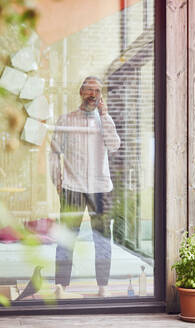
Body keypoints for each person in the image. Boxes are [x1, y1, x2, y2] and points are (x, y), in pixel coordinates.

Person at [50, 76, 120, 297]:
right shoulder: (66, 119)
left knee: (102, 237)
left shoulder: (105, 120)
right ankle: (61, 285)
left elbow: (115, 145)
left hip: (101, 187)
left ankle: (103, 287)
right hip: (73, 185)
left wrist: (105, 116)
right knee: (66, 237)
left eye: (96, 91)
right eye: (88, 90)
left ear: (101, 95)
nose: (92, 94)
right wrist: (57, 180)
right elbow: (54, 152)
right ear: (81, 92)